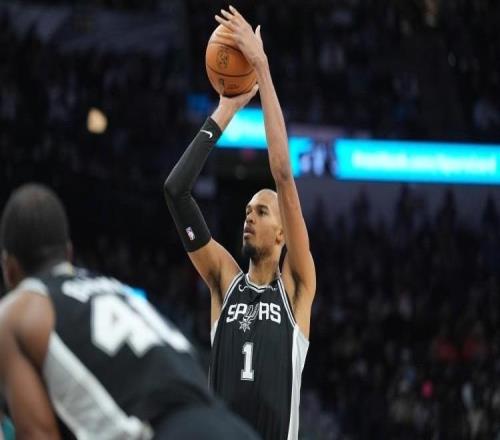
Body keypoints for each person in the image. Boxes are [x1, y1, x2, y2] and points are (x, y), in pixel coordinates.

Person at [0, 183, 259, 439]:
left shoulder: (16, 311)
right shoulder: (113, 287)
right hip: (230, 424)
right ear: (68, 253)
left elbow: (38, 434)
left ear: (9, 268)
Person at [163, 6, 316, 439]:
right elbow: (176, 190)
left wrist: (262, 68)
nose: (249, 215)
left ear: (283, 233)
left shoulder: (296, 287)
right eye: (248, 209)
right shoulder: (223, 281)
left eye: (262, 211)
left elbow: (282, 173)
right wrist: (226, 110)